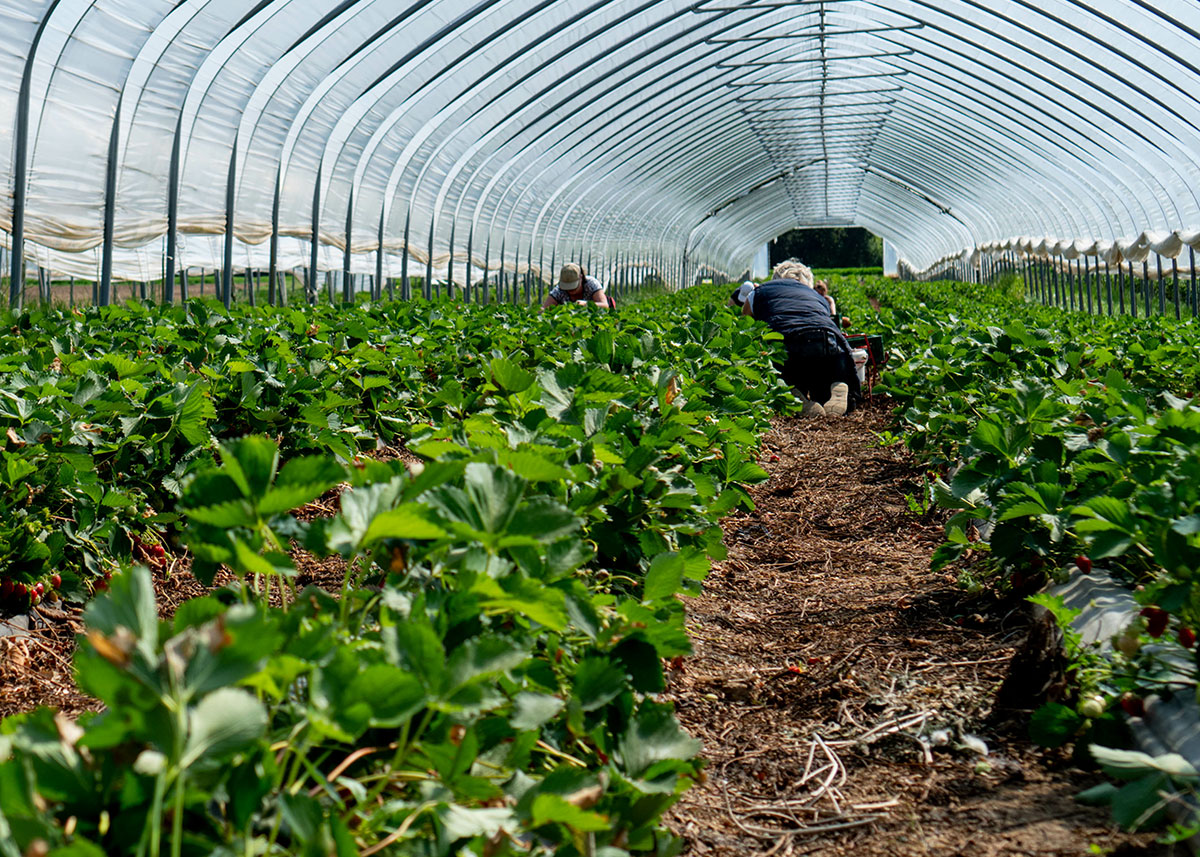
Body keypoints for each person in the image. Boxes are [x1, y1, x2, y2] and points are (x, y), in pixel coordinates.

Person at [731, 259, 860, 417]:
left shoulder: (758, 293)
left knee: (782, 369)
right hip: (825, 338)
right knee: (822, 368)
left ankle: (793, 396)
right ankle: (836, 385)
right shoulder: (817, 296)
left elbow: (745, 331)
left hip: (788, 339)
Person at [542, 263, 610, 308]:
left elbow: (604, 305)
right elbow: (544, 310)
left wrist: (586, 304)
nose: (570, 290)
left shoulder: (591, 284)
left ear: (581, 277)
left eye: (573, 286)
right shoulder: (558, 290)